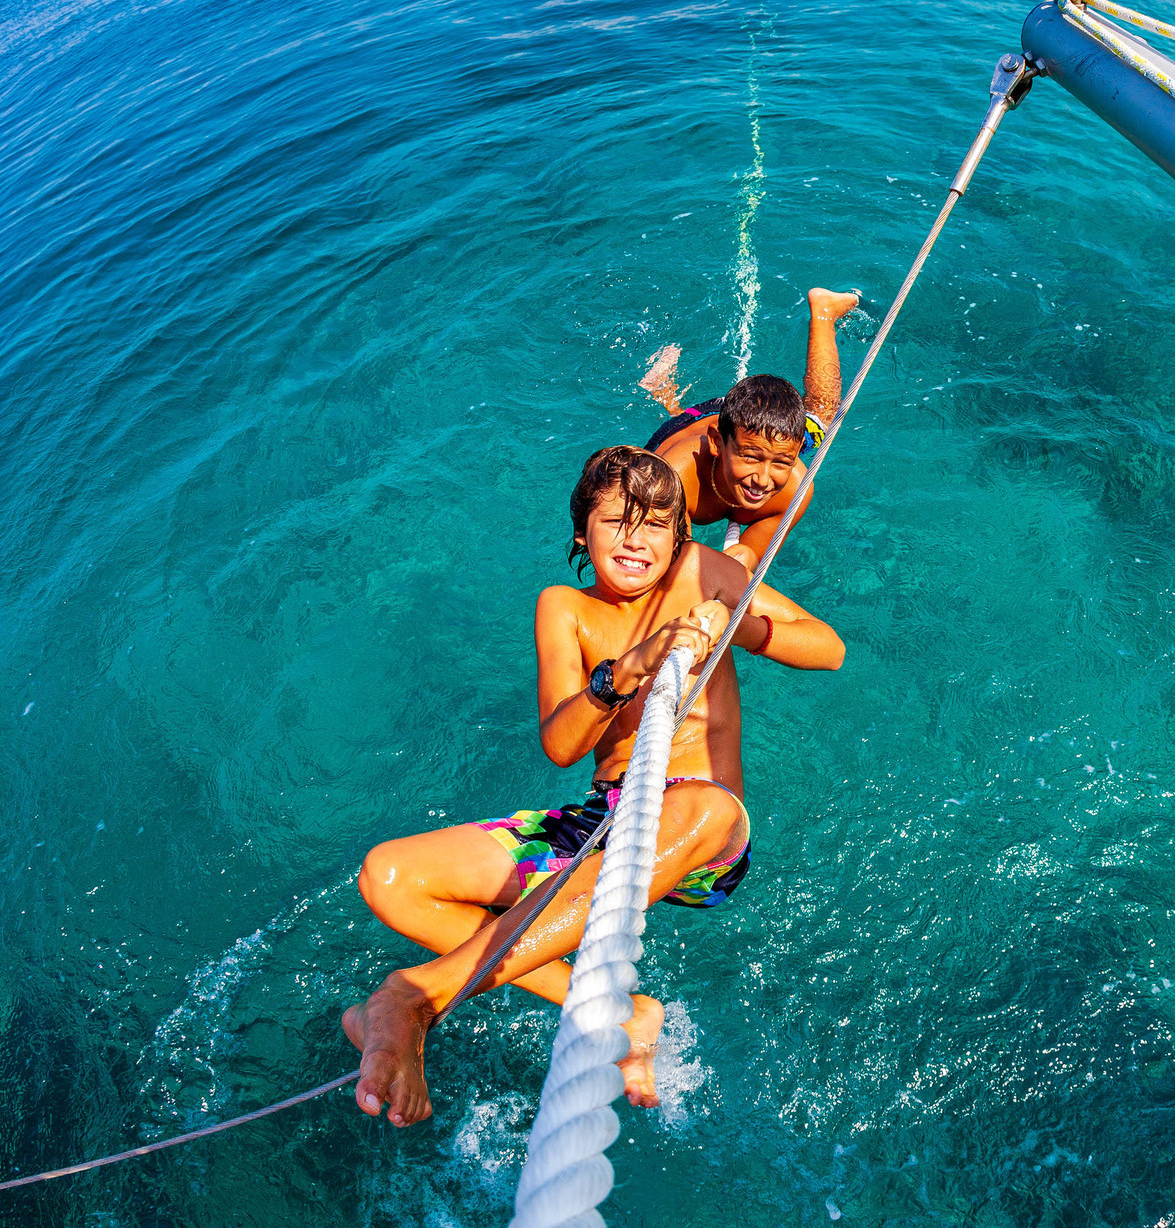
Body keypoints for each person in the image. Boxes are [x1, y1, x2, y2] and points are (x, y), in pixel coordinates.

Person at [342, 445, 844, 1126]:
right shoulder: (565, 608)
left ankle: (416, 997)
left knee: (702, 807)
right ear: (584, 531)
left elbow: (827, 645)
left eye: (656, 525)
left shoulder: (705, 572)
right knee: (388, 875)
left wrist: (738, 624)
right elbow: (561, 742)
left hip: (705, 827)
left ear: (678, 539)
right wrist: (622, 673)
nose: (635, 539)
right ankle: (621, 1013)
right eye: (616, 522)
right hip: (604, 817)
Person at [639, 288, 859, 562]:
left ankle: (824, 314)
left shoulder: (794, 488)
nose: (762, 480)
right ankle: (664, 391)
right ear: (718, 443)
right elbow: (671, 569)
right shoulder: (673, 480)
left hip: (755, 433)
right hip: (692, 423)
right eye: (751, 458)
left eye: (780, 463)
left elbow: (747, 567)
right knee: (675, 416)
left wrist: (745, 558)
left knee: (822, 415)